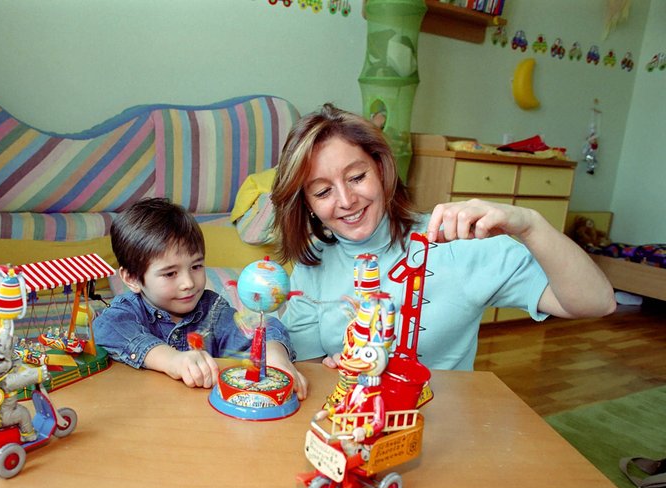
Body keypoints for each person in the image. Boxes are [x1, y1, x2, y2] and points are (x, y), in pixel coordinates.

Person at [270, 103, 616, 371]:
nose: (346, 201)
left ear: (381, 167)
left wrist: (530, 225)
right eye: (323, 191)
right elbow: (309, 369)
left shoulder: (455, 243)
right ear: (308, 205)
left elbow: (596, 302)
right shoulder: (311, 265)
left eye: (357, 177)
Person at [93, 197, 307, 398]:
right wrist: (172, 360)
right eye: (170, 273)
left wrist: (276, 355)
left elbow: (262, 326)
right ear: (131, 278)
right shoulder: (127, 312)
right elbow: (105, 329)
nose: (188, 283)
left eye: (196, 266)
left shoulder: (212, 310)